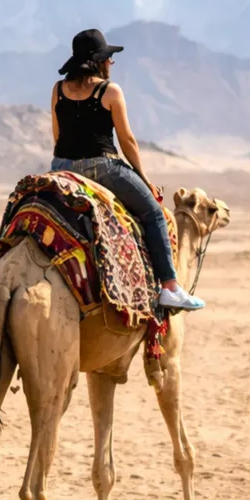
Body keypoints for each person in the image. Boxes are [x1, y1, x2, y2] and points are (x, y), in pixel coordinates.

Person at [49, 28, 204, 311]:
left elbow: (57, 136)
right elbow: (127, 141)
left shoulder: (58, 89)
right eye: (108, 58)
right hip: (100, 168)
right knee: (153, 213)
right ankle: (169, 286)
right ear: (98, 61)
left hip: (61, 167)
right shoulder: (109, 91)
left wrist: (66, 167)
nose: (111, 63)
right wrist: (145, 180)